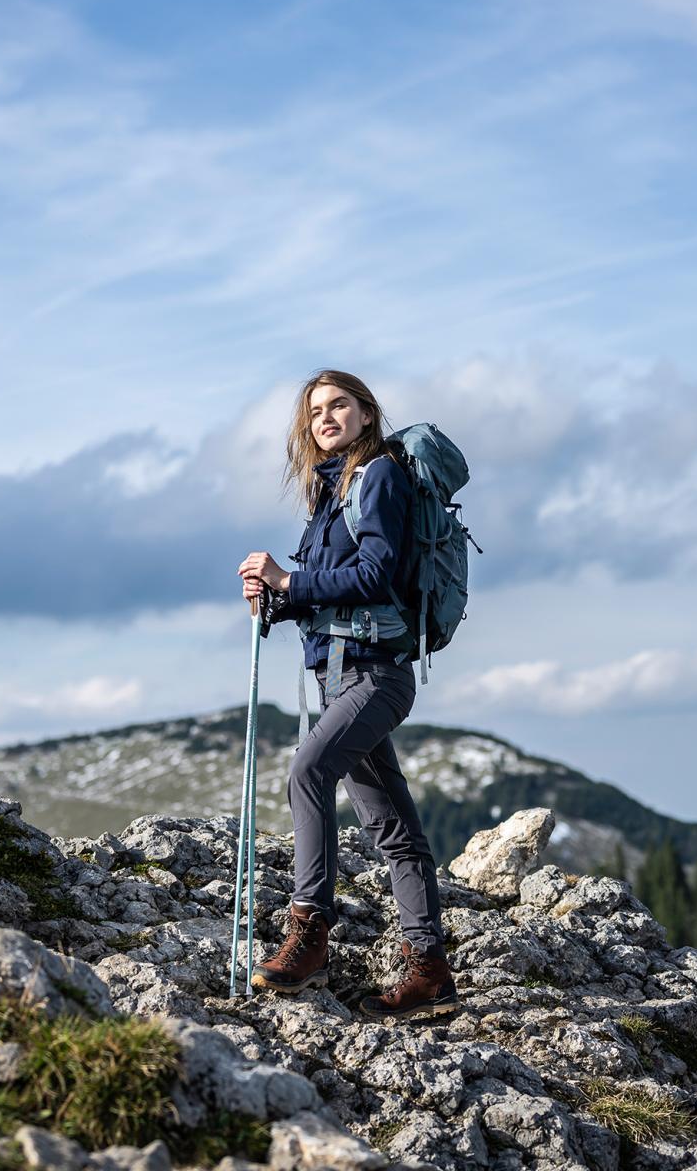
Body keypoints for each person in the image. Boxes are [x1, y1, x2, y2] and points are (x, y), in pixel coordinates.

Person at [235, 369, 458, 1022]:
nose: (325, 418)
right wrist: (275, 599)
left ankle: (309, 933)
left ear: (366, 413)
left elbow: (374, 572)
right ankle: (430, 972)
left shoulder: (379, 477)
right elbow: (329, 593)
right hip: (341, 676)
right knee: (394, 828)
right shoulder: (329, 497)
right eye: (315, 412)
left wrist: (290, 577)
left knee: (309, 770)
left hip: (376, 675)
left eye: (339, 406)